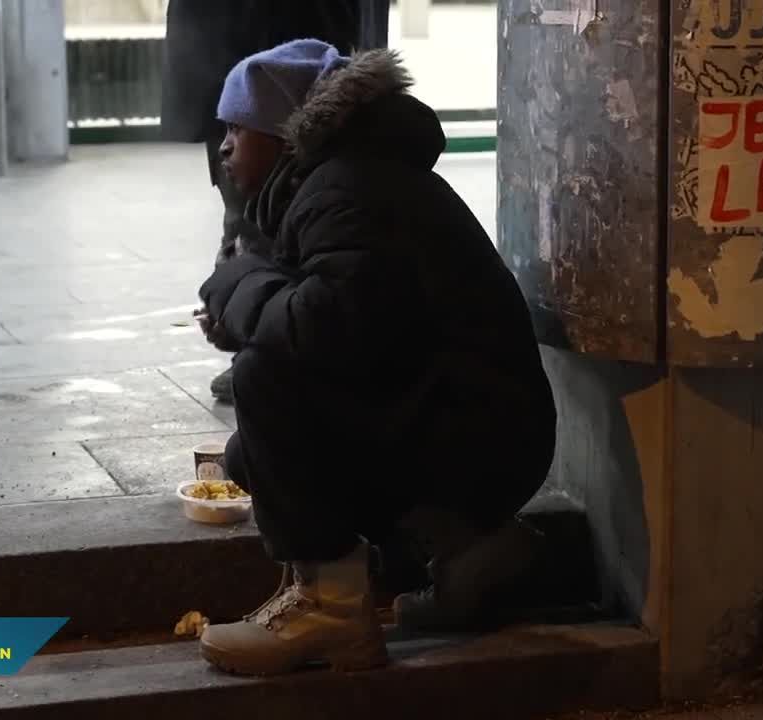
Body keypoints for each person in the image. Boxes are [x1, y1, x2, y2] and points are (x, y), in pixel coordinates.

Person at [193, 40, 558, 676]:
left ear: (283, 134)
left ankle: (331, 608)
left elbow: (319, 333)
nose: (223, 146)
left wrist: (239, 284)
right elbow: (356, 324)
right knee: (250, 452)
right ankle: (472, 550)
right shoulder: (343, 180)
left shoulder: (347, 188)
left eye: (236, 127)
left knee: (266, 381)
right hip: (482, 425)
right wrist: (249, 307)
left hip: (483, 437)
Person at [161, 0, 383, 404]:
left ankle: (258, 349)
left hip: (291, 64)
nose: (225, 149)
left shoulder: (339, 199)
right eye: (226, 133)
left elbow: (324, 317)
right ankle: (254, 343)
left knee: (263, 224)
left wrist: (235, 306)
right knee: (252, 218)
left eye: (235, 133)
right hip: (252, 59)